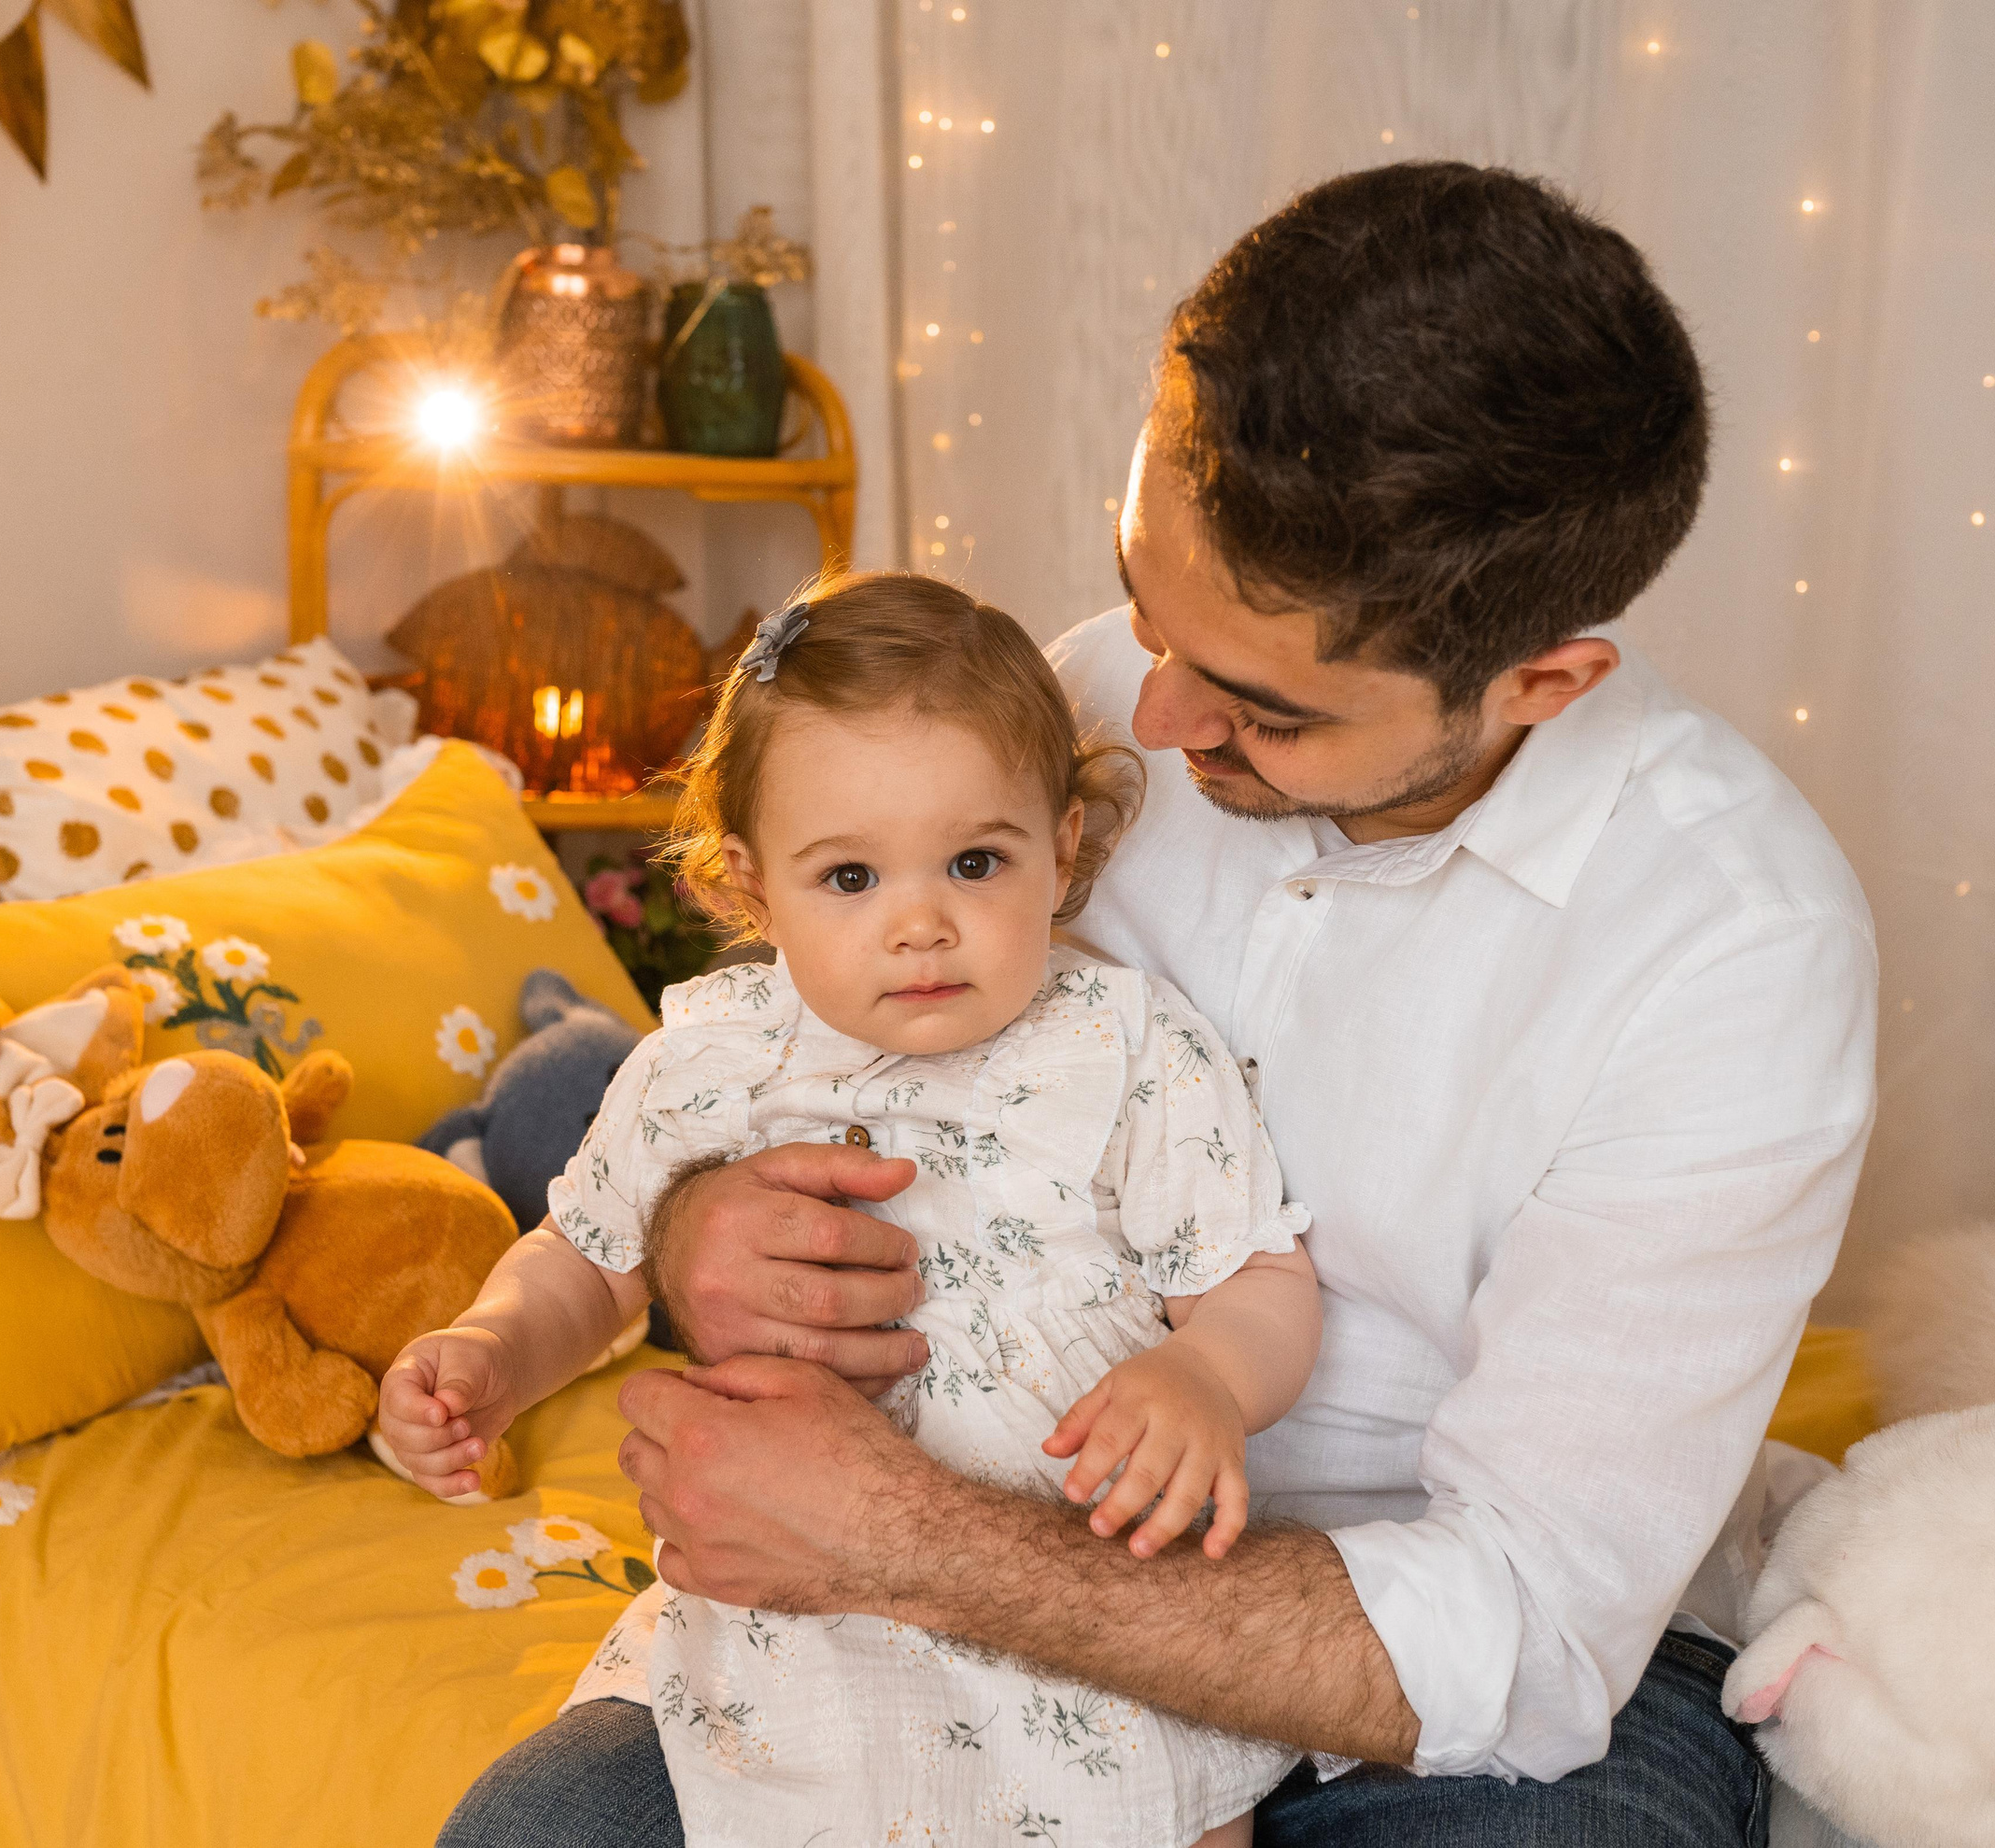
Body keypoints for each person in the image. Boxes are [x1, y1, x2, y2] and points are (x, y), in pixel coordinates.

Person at [443, 161, 1878, 1847]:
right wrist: (696, 1231)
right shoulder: (1091, 699)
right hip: (966, 1535)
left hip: (1413, 1652)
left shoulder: (1733, 951)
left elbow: (1530, 1634)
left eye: (1263, 709)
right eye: (1144, 598)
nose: (1158, 711)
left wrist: (907, 1541)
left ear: (1539, 681)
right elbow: (816, 1061)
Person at [391, 575, 1328, 1848]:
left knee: (1167, 1815)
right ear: (751, 886)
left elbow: (1257, 1279)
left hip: (1078, 1593)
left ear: (1064, 849)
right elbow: (586, 1260)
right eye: (849, 877)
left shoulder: (1122, 1044)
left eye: (976, 860)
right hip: (797, 1623)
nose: (923, 922)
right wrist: (495, 1350)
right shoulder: (715, 1061)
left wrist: (1209, 1377)